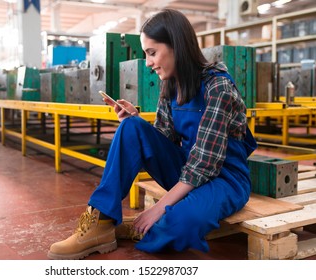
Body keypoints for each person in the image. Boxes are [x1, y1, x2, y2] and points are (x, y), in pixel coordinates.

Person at [47, 8, 257, 260]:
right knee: (132, 127)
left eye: (152, 52)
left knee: (183, 223)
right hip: (187, 171)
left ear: (177, 46)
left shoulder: (218, 86)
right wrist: (136, 124)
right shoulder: (170, 84)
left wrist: (160, 208)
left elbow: (205, 165)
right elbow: (165, 138)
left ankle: (143, 227)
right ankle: (100, 222)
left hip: (225, 179)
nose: (147, 63)